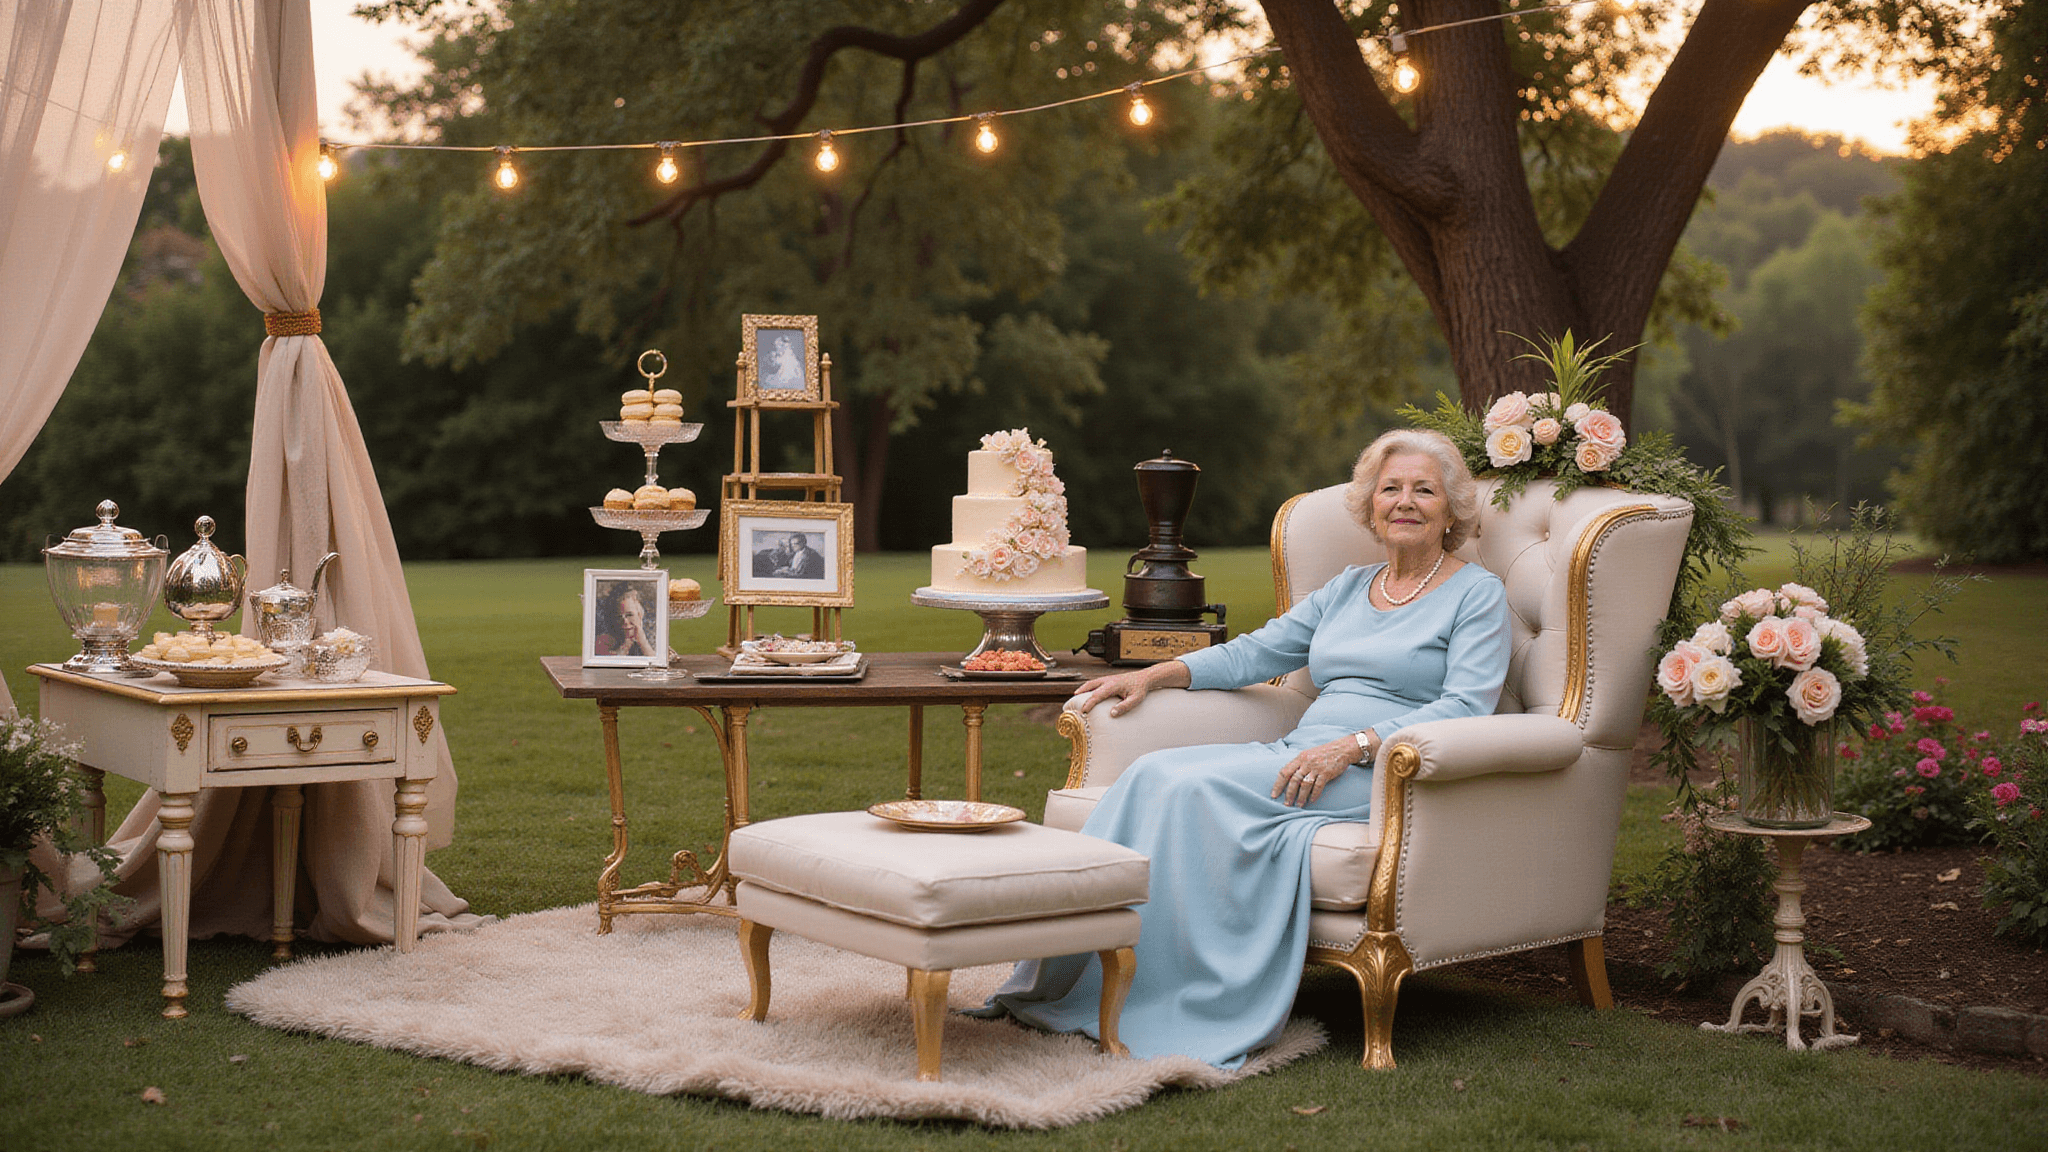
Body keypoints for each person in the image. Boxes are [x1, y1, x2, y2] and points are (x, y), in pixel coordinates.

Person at [975, 427, 1511, 1068]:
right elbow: (1256, 652)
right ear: (1370, 504)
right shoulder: (1349, 586)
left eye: (1423, 490)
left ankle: (1173, 1000)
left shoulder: (1477, 593)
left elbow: (1465, 707)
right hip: (1300, 751)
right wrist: (1154, 674)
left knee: (1192, 786)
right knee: (1152, 774)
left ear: (1450, 508)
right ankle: (1067, 979)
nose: (1404, 501)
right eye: (1390, 488)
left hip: (1380, 770)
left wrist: (1356, 745)